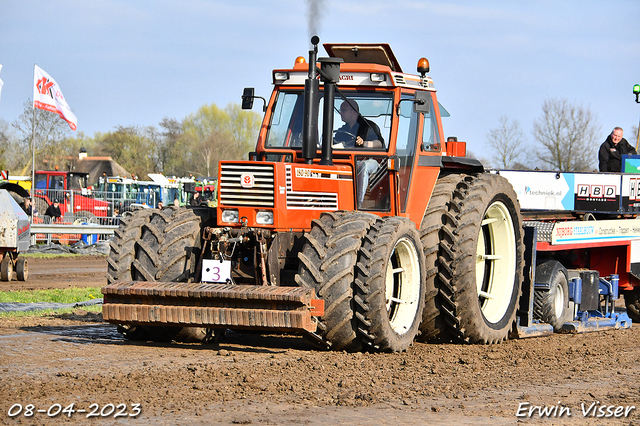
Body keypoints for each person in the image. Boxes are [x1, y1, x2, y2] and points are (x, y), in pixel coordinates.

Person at [334, 100, 384, 208]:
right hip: (349, 163)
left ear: (353, 111)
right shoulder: (342, 130)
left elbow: (379, 143)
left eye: (343, 110)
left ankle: (358, 205)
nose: (340, 113)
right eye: (340, 110)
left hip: (371, 161)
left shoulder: (368, 126)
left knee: (363, 166)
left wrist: (365, 143)